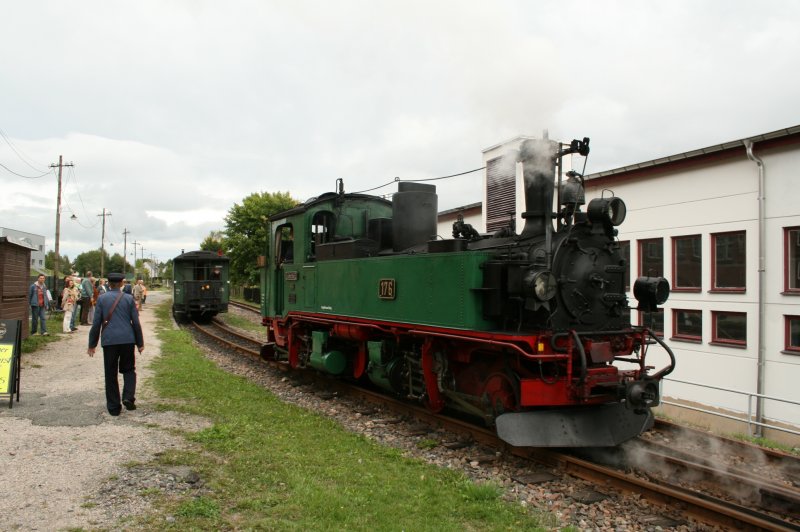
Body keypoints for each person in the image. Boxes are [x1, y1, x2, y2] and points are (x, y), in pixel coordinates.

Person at [87, 272, 144, 416]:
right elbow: (135, 322)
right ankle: (128, 396)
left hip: (109, 341)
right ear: (122, 284)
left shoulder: (102, 299)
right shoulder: (129, 299)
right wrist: (140, 342)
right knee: (129, 369)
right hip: (127, 340)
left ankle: (114, 408)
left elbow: (96, 324)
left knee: (110, 373)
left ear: (109, 284)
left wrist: (92, 344)